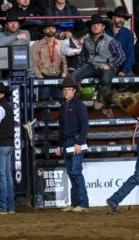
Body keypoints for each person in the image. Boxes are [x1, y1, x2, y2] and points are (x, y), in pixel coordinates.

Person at [71, 13, 125, 110]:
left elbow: (121, 56)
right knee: (74, 76)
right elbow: (83, 56)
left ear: (103, 27)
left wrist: (109, 65)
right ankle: (75, 101)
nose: (95, 27)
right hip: (91, 66)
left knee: (105, 78)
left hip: (106, 67)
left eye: (98, 24)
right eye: (93, 25)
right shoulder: (87, 40)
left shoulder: (111, 41)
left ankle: (100, 100)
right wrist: (82, 66)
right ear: (90, 27)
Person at [55, 76, 89, 213]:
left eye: (69, 89)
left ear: (74, 91)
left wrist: (80, 142)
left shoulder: (79, 105)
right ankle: (76, 203)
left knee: (75, 172)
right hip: (67, 142)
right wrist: (59, 145)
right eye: (65, 90)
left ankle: (83, 203)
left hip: (75, 141)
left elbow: (84, 125)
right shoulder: (64, 106)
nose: (66, 92)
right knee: (71, 172)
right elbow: (61, 127)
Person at [31, 19, 67, 100]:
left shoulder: (62, 43)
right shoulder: (36, 45)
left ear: (55, 29)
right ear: (44, 30)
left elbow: (65, 62)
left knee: (60, 100)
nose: (51, 30)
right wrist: (40, 77)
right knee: (44, 102)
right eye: (48, 28)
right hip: (43, 77)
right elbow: (34, 63)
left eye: (53, 28)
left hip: (58, 76)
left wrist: (64, 75)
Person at [0, 82, 15, 215]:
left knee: (1, 176)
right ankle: (10, 206)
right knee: (7, 175)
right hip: (8, 144)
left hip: (0, 145)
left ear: (1, 94)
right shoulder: (7, 106)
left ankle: (2, 207)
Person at [106, 6, 134, 77]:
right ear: (113, 17)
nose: (121, 19)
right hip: (108, 68)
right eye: (119, 16)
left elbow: (130, 55)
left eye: (123, 17)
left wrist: (124, 71)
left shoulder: (128, 34)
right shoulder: (105, 33)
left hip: (123, 68)